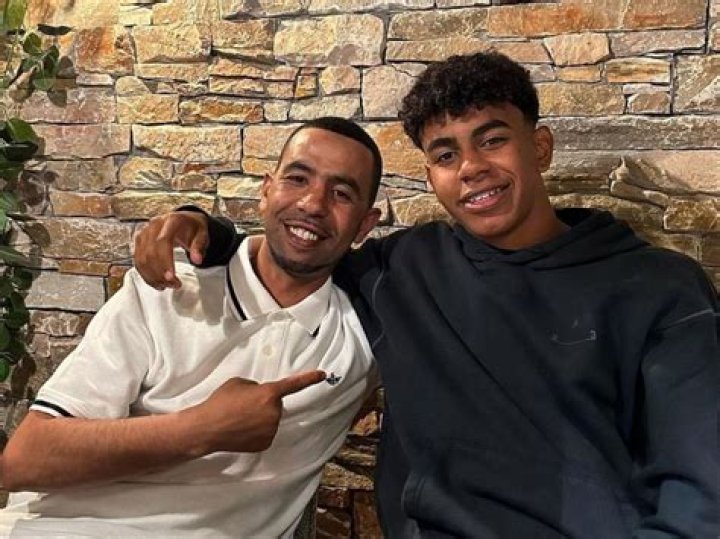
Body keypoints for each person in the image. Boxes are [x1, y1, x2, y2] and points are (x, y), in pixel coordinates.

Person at [134, 52, 720, 538]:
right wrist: (204, 228)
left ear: (539, 147)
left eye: (492, 140)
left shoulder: (660, 290)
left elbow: (702, 492)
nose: (471, 168)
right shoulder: (403, 269)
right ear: (431, 175)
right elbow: (301, 249)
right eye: (445, 154)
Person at [0, 117, 383, 537]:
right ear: (266, 191)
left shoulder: (364, 334)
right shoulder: (165, 289)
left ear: (365, 224)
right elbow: (23, 460)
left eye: (341, 193)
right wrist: (201, 430)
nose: (313, 203)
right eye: (297, 179)